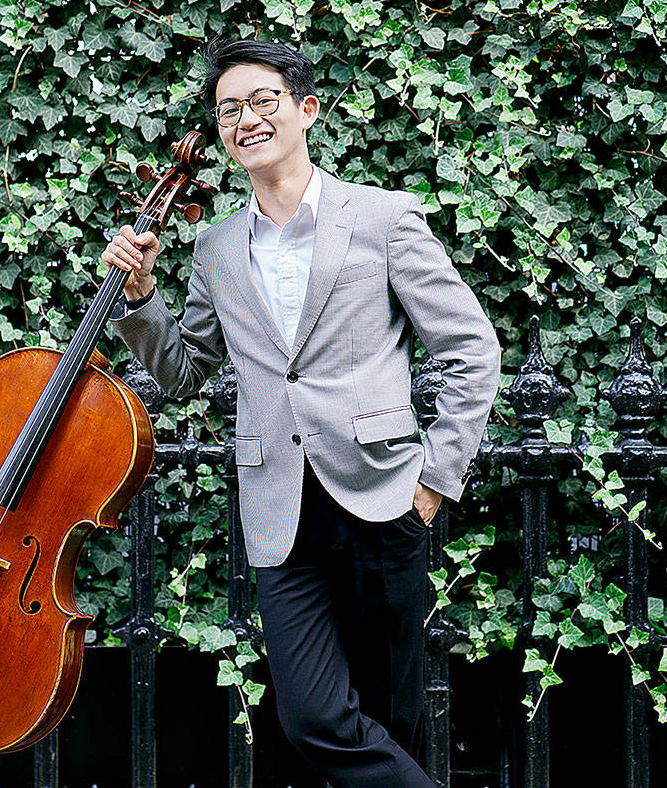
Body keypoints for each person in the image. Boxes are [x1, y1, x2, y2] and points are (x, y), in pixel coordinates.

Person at [101, 38, 500, 787]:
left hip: (384, 496)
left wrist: (437, 478)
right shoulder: (216, 247)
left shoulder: (382, 219)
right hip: (279, 509)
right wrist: (139, 295)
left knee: (392, 717)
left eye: (262, 101)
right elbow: (184, 372)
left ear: (305, 109)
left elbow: (471, 347)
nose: (244, 119)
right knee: (313, 717)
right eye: (228, 110)